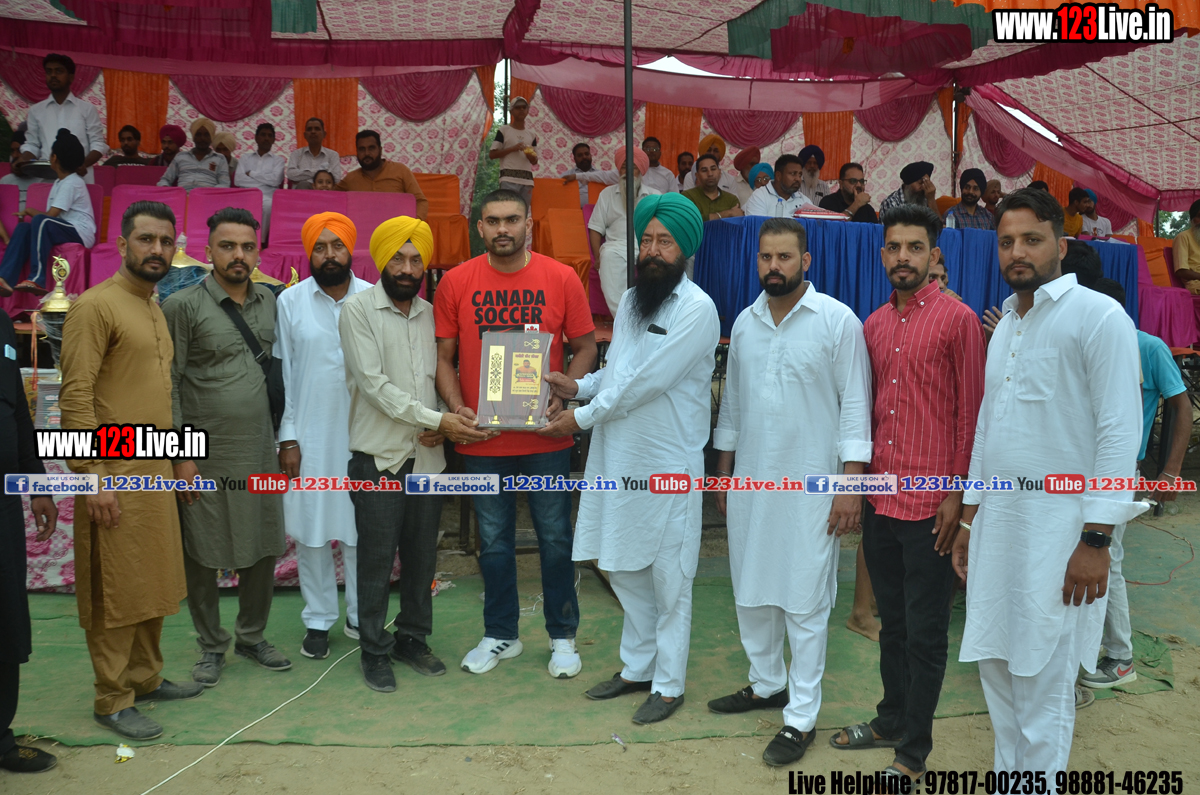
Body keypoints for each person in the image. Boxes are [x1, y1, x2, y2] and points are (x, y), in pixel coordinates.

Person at [951, 188, 1145, 777]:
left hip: (1061, 537)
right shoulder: (1006, 325)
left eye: (1031, 240)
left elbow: (1119, 432)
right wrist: (969, 519)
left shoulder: (1098, 316)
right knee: (997, 667)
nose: (1017, 253)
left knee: (1044, 681)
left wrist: (1096, 541)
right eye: (1007, 242)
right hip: (998, 530)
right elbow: (987, 429)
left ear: (1060, 245)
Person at [543, 192, 717, 724]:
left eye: (666, 241)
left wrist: (580, 417)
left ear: (685, 249)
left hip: (667, 465)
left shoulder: (697, 309)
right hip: (617, 457)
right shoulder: (633, 301)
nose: (653, 250)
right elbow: (619, 370)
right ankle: (638, 667)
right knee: (620, 565)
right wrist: (577, 387)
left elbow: (645, 383)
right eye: (648, 240)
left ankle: (668, 684)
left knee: (669, 578)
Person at [831, 204, 986, 781]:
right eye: (894, 247)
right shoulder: (872, 325)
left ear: (933, 254)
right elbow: (864, 413)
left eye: (915, 247)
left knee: (925, 633)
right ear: (882, 255)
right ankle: (891, 718)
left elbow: (971, 416)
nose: (903, 257)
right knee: (891, 624)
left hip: (932, 507)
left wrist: (957, 496)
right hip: (881, 501)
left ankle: (913, 753)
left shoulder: (958, 320)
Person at [710, 217, 871, 764]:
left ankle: (800, 717)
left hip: (813, 486)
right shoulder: (746, 322)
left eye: (784, 257)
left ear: (806, 261)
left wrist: (850, 486)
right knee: (751, 587)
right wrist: (724, 471)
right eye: (765, 257)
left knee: (804, 600)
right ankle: (766, 683)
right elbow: (732, 405)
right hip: (752, 481)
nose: (773, 267)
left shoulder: (837, 321)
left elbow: (855, 407)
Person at [434, 189, 597, 678]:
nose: (502, 228)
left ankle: (563, 636)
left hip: (546, 436)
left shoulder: (561, 277)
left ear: (529, 224)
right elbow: (443, 358)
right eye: (493, 221)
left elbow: (586, 347)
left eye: (511, 219)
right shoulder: (456, 281)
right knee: (493, 542)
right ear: (479, 227)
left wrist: (565, 393)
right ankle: (500, 634)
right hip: (483, 440)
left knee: (555, 537)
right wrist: (456, 408)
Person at [59, 201, 205, 741]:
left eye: (166, 241)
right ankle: (112, 698)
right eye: (146, 239)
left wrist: (181, 457)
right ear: (122, 245)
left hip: (155, 470)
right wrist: (92, 475)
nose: (157, 250)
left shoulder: (153, 307)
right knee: (116, 587)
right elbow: (75, 398)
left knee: (151, 579)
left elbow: (161, 396)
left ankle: (145, 678)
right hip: (113, 474)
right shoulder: (94, 307)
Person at [341, 217, 484, 691]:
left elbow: (444, 372)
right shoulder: (357, 310)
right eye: (398, 259)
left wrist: (446, 416)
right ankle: (374, 650)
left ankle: (413, 638)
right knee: (377, 561)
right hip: (378, 459)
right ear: (382, 260)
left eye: (416, 260)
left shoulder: (432, 314)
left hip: (428, 461)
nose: (407, 269)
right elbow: (374, 386)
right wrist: (436, 420)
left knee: (422, 558)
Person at [162, 208, 289, 688]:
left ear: (258, 251)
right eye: (228, 246)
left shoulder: (273, 302)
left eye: (247, 247)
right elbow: (170, 385)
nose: (239, 255)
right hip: (203, 455)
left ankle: (252, 636)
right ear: (208, 250)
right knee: (201, 550)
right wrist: (180, 456)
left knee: (262, 544)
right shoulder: (182, 306)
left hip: (258, 449)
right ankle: (211, 644)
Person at [1080, 278, 1188, 690]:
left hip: (1117, 469)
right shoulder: (1080, 343)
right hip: (1075, 470)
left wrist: (1170, 472)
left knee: (1108, 556)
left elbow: (1181, 406)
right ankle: (1084, 643)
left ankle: (1121, 657)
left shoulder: (1149, 346)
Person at [275, 213, 370, 661]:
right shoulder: (290, 301)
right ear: (308, 252)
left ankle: (360, 615)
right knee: (311, 530)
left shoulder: (373, 297)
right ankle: (317, 619)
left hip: (364, 436)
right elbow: (285, 377)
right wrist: (288, 438)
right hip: (309, 437)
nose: (329, 255)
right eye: (320, 247)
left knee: (359, 530)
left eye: (337, 246)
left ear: (351, 250)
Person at [0, 311, 59, 773]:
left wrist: (38, 485)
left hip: (3, 506)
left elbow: (18, 410)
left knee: (6, 619)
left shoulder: (2, 324)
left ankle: (1, 738)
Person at [0, 129, 97, 297]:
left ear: (54, 158)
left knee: (40, 221)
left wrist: (31, 211)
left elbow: (49, 216)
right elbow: (50, 219)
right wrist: (31, 216)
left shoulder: (72, 182)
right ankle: (5, 279)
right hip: (64, 228)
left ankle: (37, 278)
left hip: (80, 232)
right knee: (24, 228)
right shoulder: (60, 182)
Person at [7, 54, 104, 185]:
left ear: (71, 77)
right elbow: (32, 145)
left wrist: (83, 164)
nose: (53, 75)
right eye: (49, 71)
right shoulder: (36, 111)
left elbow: (98, 144)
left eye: (59, 71)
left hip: (80, 180)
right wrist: (22, 161)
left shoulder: (87, 109)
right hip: (46, 180)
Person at [588, 146, 661, 317]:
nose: (627, 171)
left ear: (641, 171)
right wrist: (597, 257)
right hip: (615, 247)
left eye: (633, 167)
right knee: (607, 257)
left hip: (647, 246)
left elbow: (663, 227)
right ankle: (623, 318)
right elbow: (595, 228)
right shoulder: (606, 194)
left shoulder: (654, 196)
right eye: (623, 167)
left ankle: (650, 317)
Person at [336, 130, 429, 220]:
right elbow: (331, 199)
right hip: (361, 229)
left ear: (380, 150)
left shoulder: (400, 171)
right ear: (357, 152)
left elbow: (421, 201)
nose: (366, 153)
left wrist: (411, 225)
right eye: (362, 149)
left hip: (396, 228)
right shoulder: (350, 179)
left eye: (371, 148)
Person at [235, 123, 286, 238]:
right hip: (246, 194)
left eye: (269, 136)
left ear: (274, 140)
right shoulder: (245, 158)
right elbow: (238, 180)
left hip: (267, 196)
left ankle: (260, 241)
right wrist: (265, 180)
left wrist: (251, 174)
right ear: (256, 138)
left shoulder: (278, 161)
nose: (266, 138)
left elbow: (275, 181)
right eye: (263, 135)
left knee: (268, 206)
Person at [490, 97, 539, 208]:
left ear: (527, 111)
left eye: (524, 107)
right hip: (508, 179)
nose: (521, 110)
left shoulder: (531, 134)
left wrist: (528, 154)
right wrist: (513, 148)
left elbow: (535, 161)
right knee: (508, 212)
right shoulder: (504, 130)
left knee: (522, 213)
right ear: (511, 111)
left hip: (527, 182)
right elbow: (492, 154)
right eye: (517, 107)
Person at [158, 118, 230, 189]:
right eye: (198, 134)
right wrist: (165, 188)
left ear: (211, 137)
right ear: (193, 137)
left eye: (206, 135)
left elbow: (224, 184)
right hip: (183, 195)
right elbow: (165, 180)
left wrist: (210, 192)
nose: (202, 138)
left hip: (207, 195)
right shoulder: (181, 156)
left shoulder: (220, 159)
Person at [743, 154, 813, 217]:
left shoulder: (804, 201)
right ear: (778, 176)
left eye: (800, 175)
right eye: (793, 174)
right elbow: (758, 226)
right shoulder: (760, 197)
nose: (798, 179)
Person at [681, 153, 744, 221]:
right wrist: (727, 213)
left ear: (719, 173)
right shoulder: (687, 197)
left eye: (713, 169)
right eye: (704, 170)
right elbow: (688, 220)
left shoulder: (731, 200)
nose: (710, 174)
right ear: (697, 176)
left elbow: (737, 223)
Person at [287, 117, 342, 189]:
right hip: (302, 193)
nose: (313, 132)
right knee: (303, 185)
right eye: (309, 129)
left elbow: (336, 178)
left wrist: (302, 177)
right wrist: (321, 174)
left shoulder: (333, 155)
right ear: (305, 135)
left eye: (317, 129)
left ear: (324, 134)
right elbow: (291, 174)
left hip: (324, 192)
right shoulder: (296, 154)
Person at [561, 142, 617, 207]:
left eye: (587, 154)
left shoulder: (601, 175)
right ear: (574, 158)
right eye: (580, 155)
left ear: (590, 155)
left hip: (597, 210)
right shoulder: (566, 176)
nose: (584, 157)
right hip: (574, 210)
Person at [1171, 199, 1200, 295]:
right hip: (1196, 284)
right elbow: (1181, 271)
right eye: (1199, 216)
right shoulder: (1183, 237)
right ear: (1192, 219)